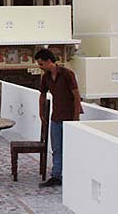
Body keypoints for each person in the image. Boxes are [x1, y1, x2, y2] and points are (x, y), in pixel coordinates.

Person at [35, 48, 82, 187]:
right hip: (56, 117)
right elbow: (42, 94)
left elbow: (76, 96)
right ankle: (56, 176)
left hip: (69, 117)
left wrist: (76, 118)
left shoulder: (67, 74)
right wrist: (41, 113)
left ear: (49, 61)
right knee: (56, 148)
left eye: (41, 64)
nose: (40, 67)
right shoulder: (46, 77)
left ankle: (71, 174)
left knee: (70, 148)